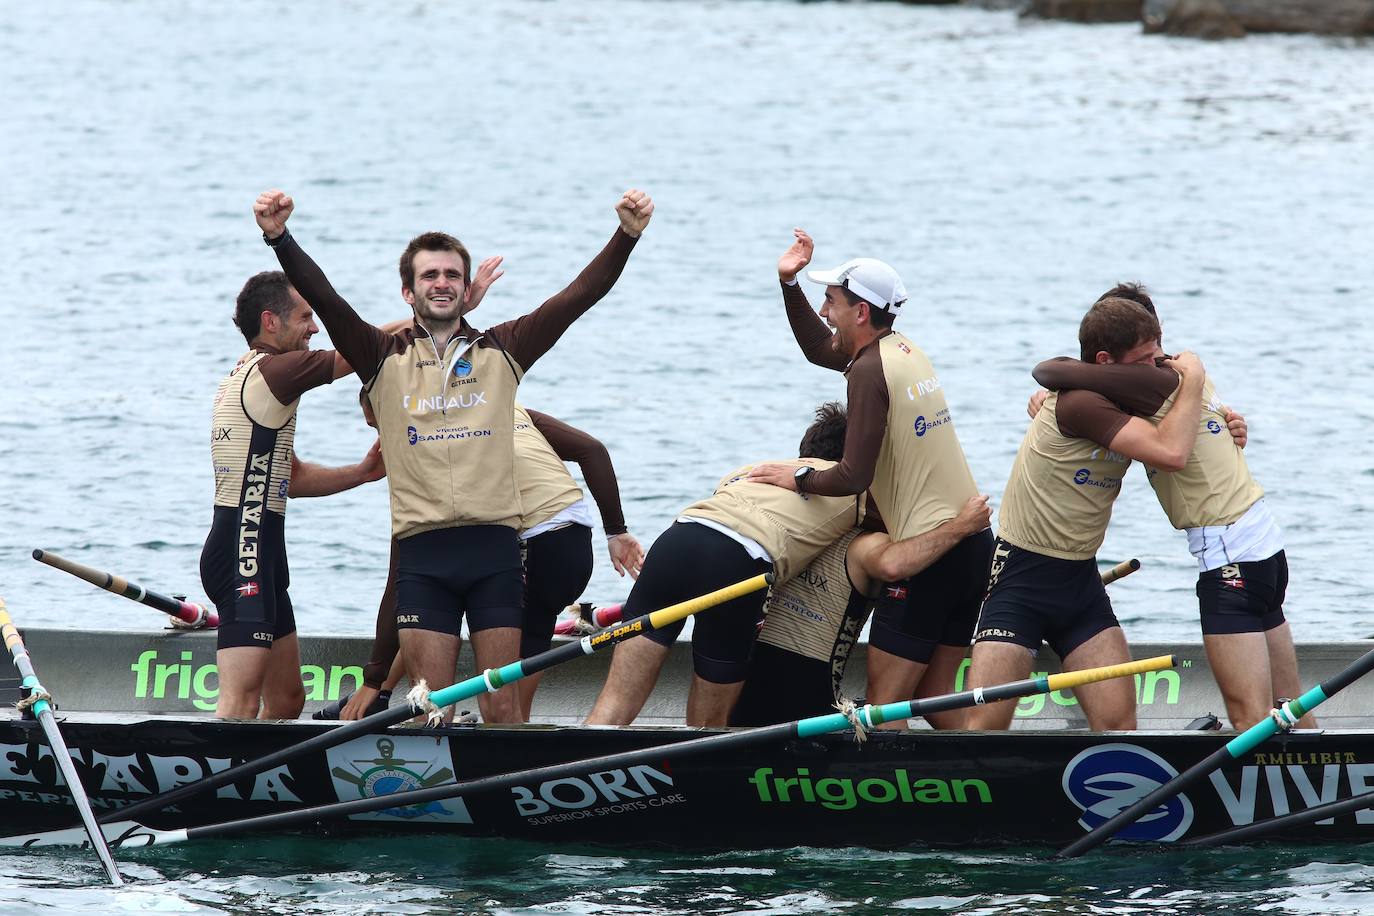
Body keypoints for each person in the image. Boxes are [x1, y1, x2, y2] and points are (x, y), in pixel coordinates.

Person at [254, 187, 652, 723]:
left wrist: (625, 235)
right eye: (429, 276)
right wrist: (279, 238)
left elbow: (579, 295)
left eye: (451, 276)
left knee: (502, 708)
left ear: (466, 291)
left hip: (495, 555)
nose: (441, 284)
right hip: (425, 559)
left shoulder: (503, 350)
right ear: (408, 292)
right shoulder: (379, 356)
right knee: (427, 708)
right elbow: (325, 297)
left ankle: (506, 796)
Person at [1030, 283, 1314, 731]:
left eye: (1156, 347)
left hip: (1229, 560)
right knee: (1293, 705)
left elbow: (1049, 370)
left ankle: (1268, 800)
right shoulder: (1188, 379)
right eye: (1147, 351)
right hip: (1265, 549)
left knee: (1251, 719)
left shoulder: (1155, 381)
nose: (1156, 357)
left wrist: (1049, 398)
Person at [748, 230, 992, 723]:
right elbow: (821, 350)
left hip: (927, 557)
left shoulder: (866, 372)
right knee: (939, 699)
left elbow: (853, 475)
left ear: (860, 313)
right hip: (972, 545)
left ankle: (891, 797)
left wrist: (794, 477)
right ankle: (986, 784)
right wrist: (787, 283)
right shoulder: (902, 350)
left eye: (830, 301)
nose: (823, 311)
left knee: (885, 710)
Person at [965, 297, 1206, 731]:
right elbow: (1171, 452)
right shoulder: (1079, 404)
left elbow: (1188, 427)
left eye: (1160, 353)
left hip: (1079, 583)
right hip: (1021, 577)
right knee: (984, 725)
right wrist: (1195, 379)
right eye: (1145, 358)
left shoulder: (1125, 399)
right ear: (1103, 362)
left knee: (1119, 726)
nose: (1158, 366)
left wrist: (1228, 421)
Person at [336, 399, 643, 722]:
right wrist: (616, 533)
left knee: (437, 607)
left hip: (532, 547)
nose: (380, 442)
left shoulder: (429, 443)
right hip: (575, 541)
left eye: (378, 427)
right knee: (509, 704)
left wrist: (372, 681)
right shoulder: (501, 400)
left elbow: (403, 581)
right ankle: (515, 747)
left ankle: (423, 723)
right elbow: (592, 450)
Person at [202, 271, 383, 719]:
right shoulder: (272, 371)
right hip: (244, 554)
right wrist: (433, 318)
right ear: (271, 322)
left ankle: (258, 779)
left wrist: (360, 474)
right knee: (240, 701)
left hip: (261, 554)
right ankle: (222, 784)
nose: (314, 328)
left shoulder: (249, 380)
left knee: (285, 700)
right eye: (305, 317)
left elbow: (292, 478)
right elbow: (361, 350)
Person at [731, 464, 992, 728]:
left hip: (743, 705)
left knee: (889, 705)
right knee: (908, 703)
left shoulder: (765, 520)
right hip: (811, 716)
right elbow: (893, 564)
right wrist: (962, 526)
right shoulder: (863, 538)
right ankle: (988, 763)